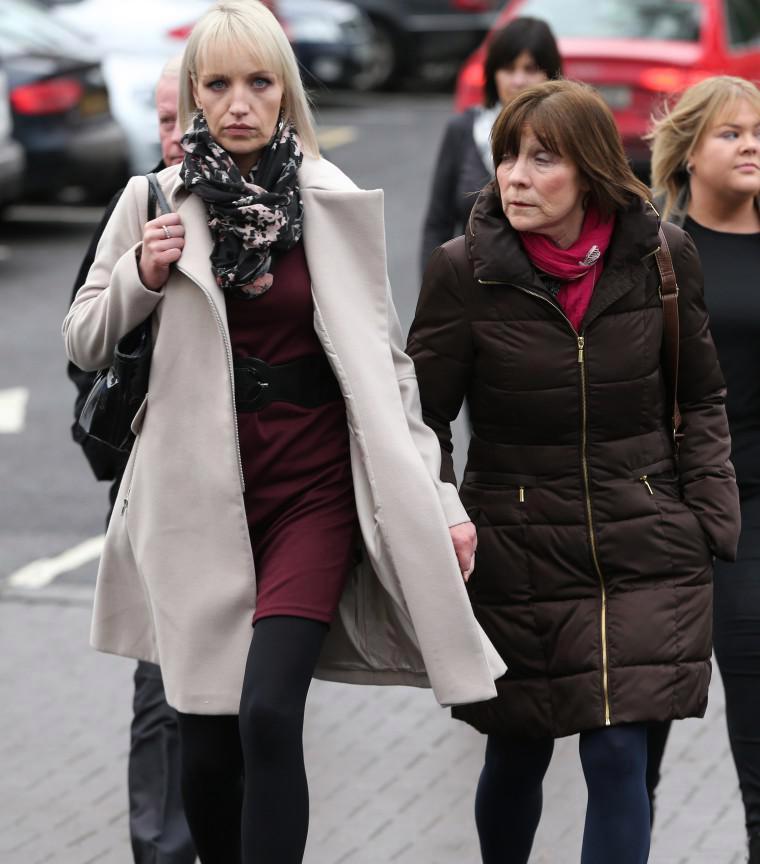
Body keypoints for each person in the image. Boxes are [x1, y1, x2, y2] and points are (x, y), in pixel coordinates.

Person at [62, 2, 505, 863]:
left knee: (268, 709)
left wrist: (441, 496)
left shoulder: (331, 200)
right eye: (218, 84)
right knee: (206, 736)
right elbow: (83, 337)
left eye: (258, 82)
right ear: (194, 94)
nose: (237, 102)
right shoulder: (152, 200)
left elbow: (388, 371)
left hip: (312, 491)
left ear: (284, 91)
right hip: (196, 500)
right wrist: (140, 277)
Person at [407, 79, 741, 864]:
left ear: (589, 171)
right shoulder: (464, 271)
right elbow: (420, 419)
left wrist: (708, 518)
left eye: (541, 159)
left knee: (619, 752)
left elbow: (701, 393)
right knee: (518, 749)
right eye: (508, 158)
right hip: (518, 551)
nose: (515, 177)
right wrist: (445, 517)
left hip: (646, 542)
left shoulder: (663, 257)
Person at [66, 56, 195, 864]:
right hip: (152, 490)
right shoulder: (141, 202)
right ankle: (160, 850)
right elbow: (83, 351)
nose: (177, 134)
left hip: (263, 497)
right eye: (165, 119)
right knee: (161, 693)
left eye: (189, 114)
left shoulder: (286, 202)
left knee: (247, 705)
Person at [646, 75, 760, 863]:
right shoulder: (656, 254)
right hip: (674, 510)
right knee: (639, 733)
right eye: (731, 132)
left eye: (758, 130)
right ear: (687, 152)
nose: (752, 142)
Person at [420, 16, 561, 272]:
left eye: (530, 69)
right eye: (508, 69)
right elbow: (437, 224)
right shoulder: (463, 130)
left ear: (550, 74)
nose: (518, 81)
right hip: (471, 294)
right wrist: (432, 294)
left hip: (545, 294)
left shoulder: (566, 134)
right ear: (493, 73)